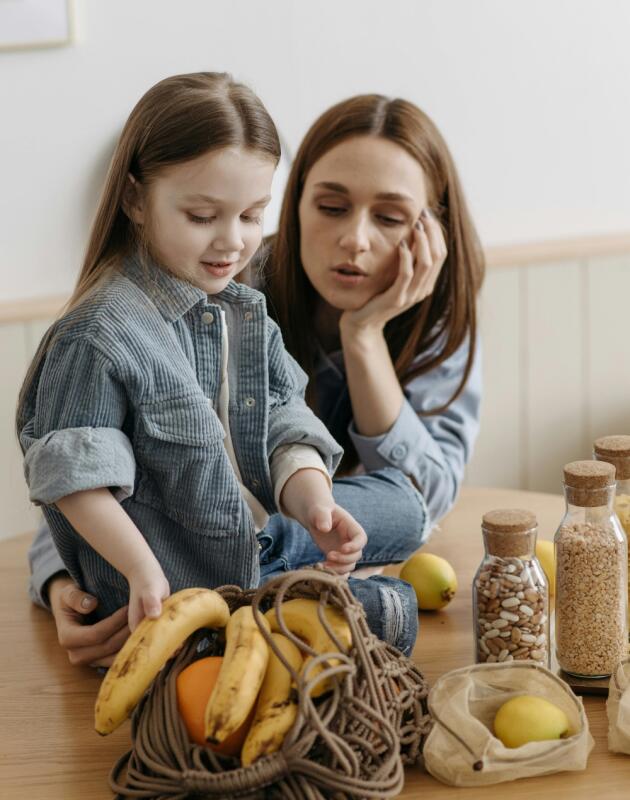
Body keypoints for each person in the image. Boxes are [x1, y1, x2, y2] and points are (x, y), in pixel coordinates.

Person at [28, 90, 484, 666]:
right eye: (332, 206)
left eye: (249, 216)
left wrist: (316, 500)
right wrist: (68, 584)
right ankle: (267, 589)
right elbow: (74, 471)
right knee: (382, 611)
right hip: (176, 564)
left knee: (404, 526)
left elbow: (289, 421)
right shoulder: (130, 319)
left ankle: (269, 578)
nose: (355, 240)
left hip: (254, 531)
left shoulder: (242, 307)